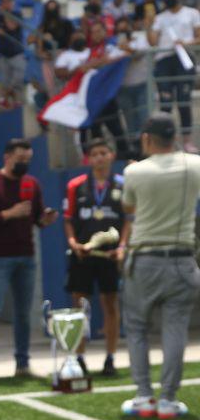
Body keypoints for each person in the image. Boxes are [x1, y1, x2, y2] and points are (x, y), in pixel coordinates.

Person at [118, 112, 200, 418]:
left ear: (147, 138)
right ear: (175, 136)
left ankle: (144, 397)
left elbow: (128, 206)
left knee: (137, 328)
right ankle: (168, 399)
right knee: (175, 329)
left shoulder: (135, 172)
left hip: (145, 258)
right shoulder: (195, 164)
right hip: (183, 257)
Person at [0, 138, 59, 384]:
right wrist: (8, 214)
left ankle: (22, 363)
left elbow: (37, 219)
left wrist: (45, 219)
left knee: (23, 313)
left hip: (26, 256)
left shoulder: (32, 184)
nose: (24, 164)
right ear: (7, 157)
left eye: (28, 160)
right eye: (20, 160)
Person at [62, 138, 126, 377]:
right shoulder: (76, 185)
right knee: (79, 306)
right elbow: (68, 220)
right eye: (95, 154)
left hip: (109, 256)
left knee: (110, 304)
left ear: (111, 155)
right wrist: (73, 243)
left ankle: (110, 358)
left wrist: (122, 247)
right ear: (88, 159)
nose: (100, 157)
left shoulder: (122, 184)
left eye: (104, 152)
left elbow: (128, 221)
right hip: (82, 256)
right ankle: (79, 358)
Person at [54, 26, 130, 159]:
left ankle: (124, 155)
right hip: (89, 99)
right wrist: (92, 64)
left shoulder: (109, 47)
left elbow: (119, 57)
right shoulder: (86, 52)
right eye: (93, 32)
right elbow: (64, 71)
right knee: (94, 130)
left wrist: (93, 64)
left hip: (107, 96)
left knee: (115, 127)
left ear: (105, 33)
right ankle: (96, 157)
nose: (96, 34)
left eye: (99, 31)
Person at [146, 0, 200, 153]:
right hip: (164, 61)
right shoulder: (160, 18)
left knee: (184, 101)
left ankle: (186, 141)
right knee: (166, 103)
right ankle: (165, 141)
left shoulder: (192, 14)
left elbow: (199, 37)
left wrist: (185, 43)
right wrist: (149, 25)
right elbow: (153, 42)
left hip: (184, 59)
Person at [116, 16, 155, 153]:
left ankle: (147, 146)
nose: (123, 31)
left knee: (144, 117)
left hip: (142, 84)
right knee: (129, 120)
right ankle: (135, 148)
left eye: (125, 28)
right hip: (123, 88)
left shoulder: (141, 38)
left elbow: (139, 54)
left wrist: (126, 48)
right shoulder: (113, 42)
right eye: (120, 29)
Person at [0, 0, 26, 109]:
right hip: (3, 54)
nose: (5, 4)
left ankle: (4, 97)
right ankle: (13, 102)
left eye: (8, 2)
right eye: (3, 2)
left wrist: (3, 14)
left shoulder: (17, 14)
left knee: (17, 79)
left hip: (16, 53)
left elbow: (11, 26)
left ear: (12, 3)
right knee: (6, 80)